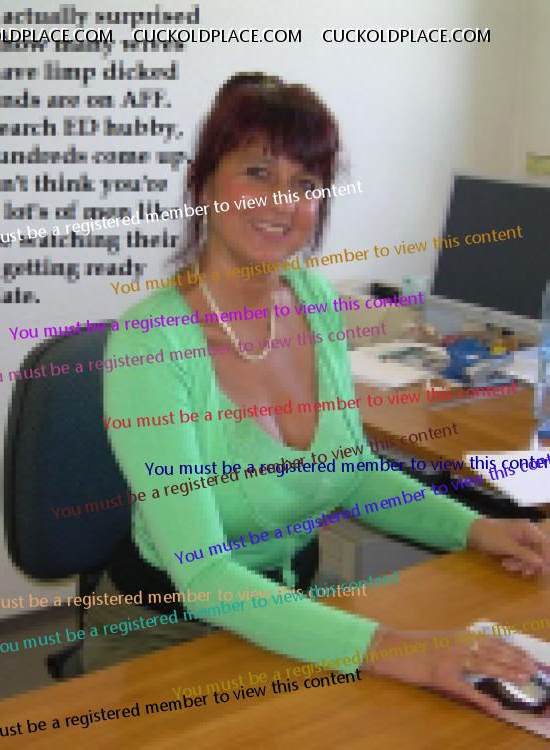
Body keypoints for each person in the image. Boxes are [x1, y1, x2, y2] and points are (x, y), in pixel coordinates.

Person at [102, 72, 550, 715]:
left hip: (298, 603)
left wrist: (475, 527)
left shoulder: (313, 301)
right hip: (172, 628)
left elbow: (350, 472)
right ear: (203, 184)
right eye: (257, 172)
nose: (281, 202)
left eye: (306, 183)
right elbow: (202, 577)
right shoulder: (150, 345)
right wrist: (401, 650)